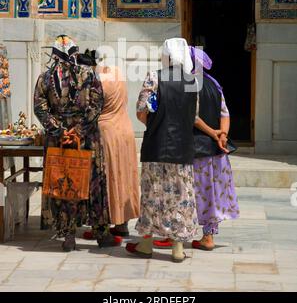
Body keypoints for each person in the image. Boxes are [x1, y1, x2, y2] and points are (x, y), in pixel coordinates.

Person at [34, 35, 110, 251]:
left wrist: (61, 131)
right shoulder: (90, 75)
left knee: (64, 184)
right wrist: (78, 130)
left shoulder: (46, 78)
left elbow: (40, 108)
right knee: (93, 183)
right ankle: (101, 233)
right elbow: (97, 105)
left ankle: (68, 235)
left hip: (59, 141)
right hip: (87, 139)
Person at [126, 38, 198, 262]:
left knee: (152, 194)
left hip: (156, 146)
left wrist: (156, 126)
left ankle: (146, 244)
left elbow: (141, 110)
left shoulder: (154, 77)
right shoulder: (193, 81)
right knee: (180, 196)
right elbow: (193, 115)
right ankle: (177, 248)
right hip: (183, 148)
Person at [78, 49, 140, 237]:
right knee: (124, 177)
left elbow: (89, 110)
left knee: (106, 178)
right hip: (125, 129)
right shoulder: (117, 72)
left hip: (106, 133)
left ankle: (102, 224)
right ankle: (122, 224)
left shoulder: (96, 82)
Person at [190, 46, 240, 250]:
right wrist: (223, 136)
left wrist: (212, 133)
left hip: (196, 147)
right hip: (216, 149)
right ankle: (208, 236)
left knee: (193, 190)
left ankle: (176, 233)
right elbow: (225, 113)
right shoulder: (214, 84)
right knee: (212, 191)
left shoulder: (189, 83)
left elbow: (191, 115)